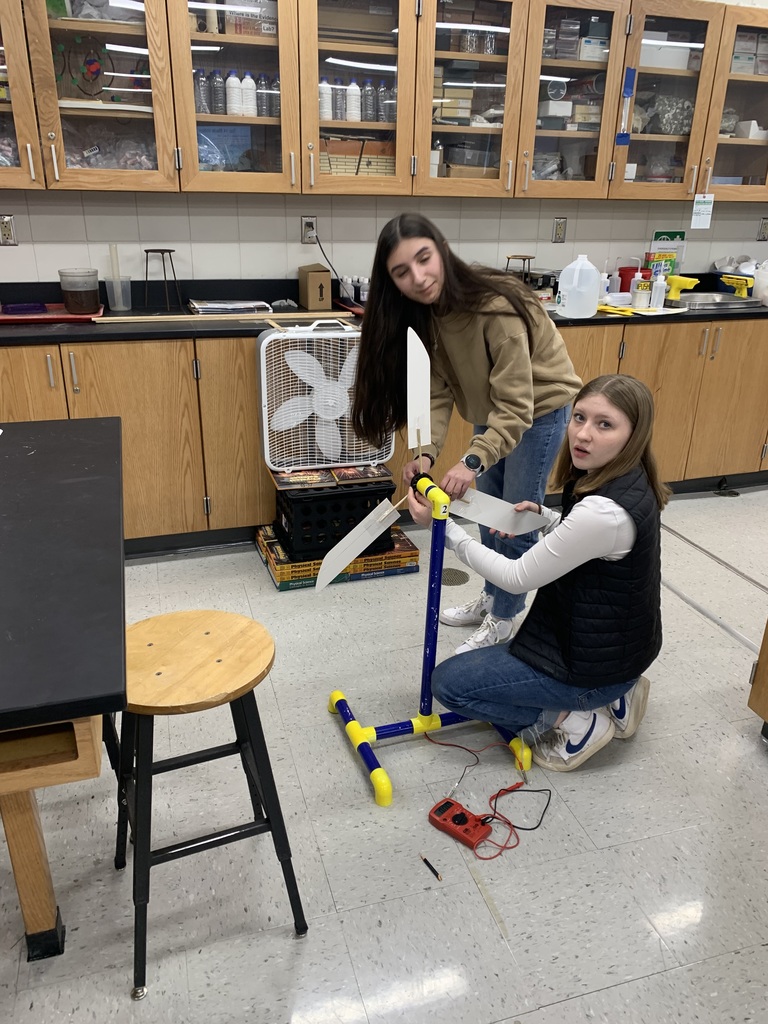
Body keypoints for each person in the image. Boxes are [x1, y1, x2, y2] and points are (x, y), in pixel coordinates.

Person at [407, 374, 670, 771]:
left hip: (589, 661)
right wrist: (548, 520)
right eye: (579, 417)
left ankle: (577, 716)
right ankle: (615, 692)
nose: (583, 434)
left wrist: (444, 529)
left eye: (605, 425)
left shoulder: (603, 513)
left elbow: (515, 578)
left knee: (447, 684)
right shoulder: (624, 481)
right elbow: (594, 546)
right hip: (613, 647)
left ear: (633, 435)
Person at [351, 213, 581, 655]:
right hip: (492, 411)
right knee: (488, 518)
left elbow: (518, 407)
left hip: (538, 412)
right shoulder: (429, 315)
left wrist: (472, 460)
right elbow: (438, 391)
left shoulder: (495, 306)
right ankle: (495, 596)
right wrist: (425, 453)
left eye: (424, 259)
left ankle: (504, 619)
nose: (418, 277)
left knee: (513, 522)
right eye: (402, 272)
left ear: (441, 248)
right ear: (391, 282)